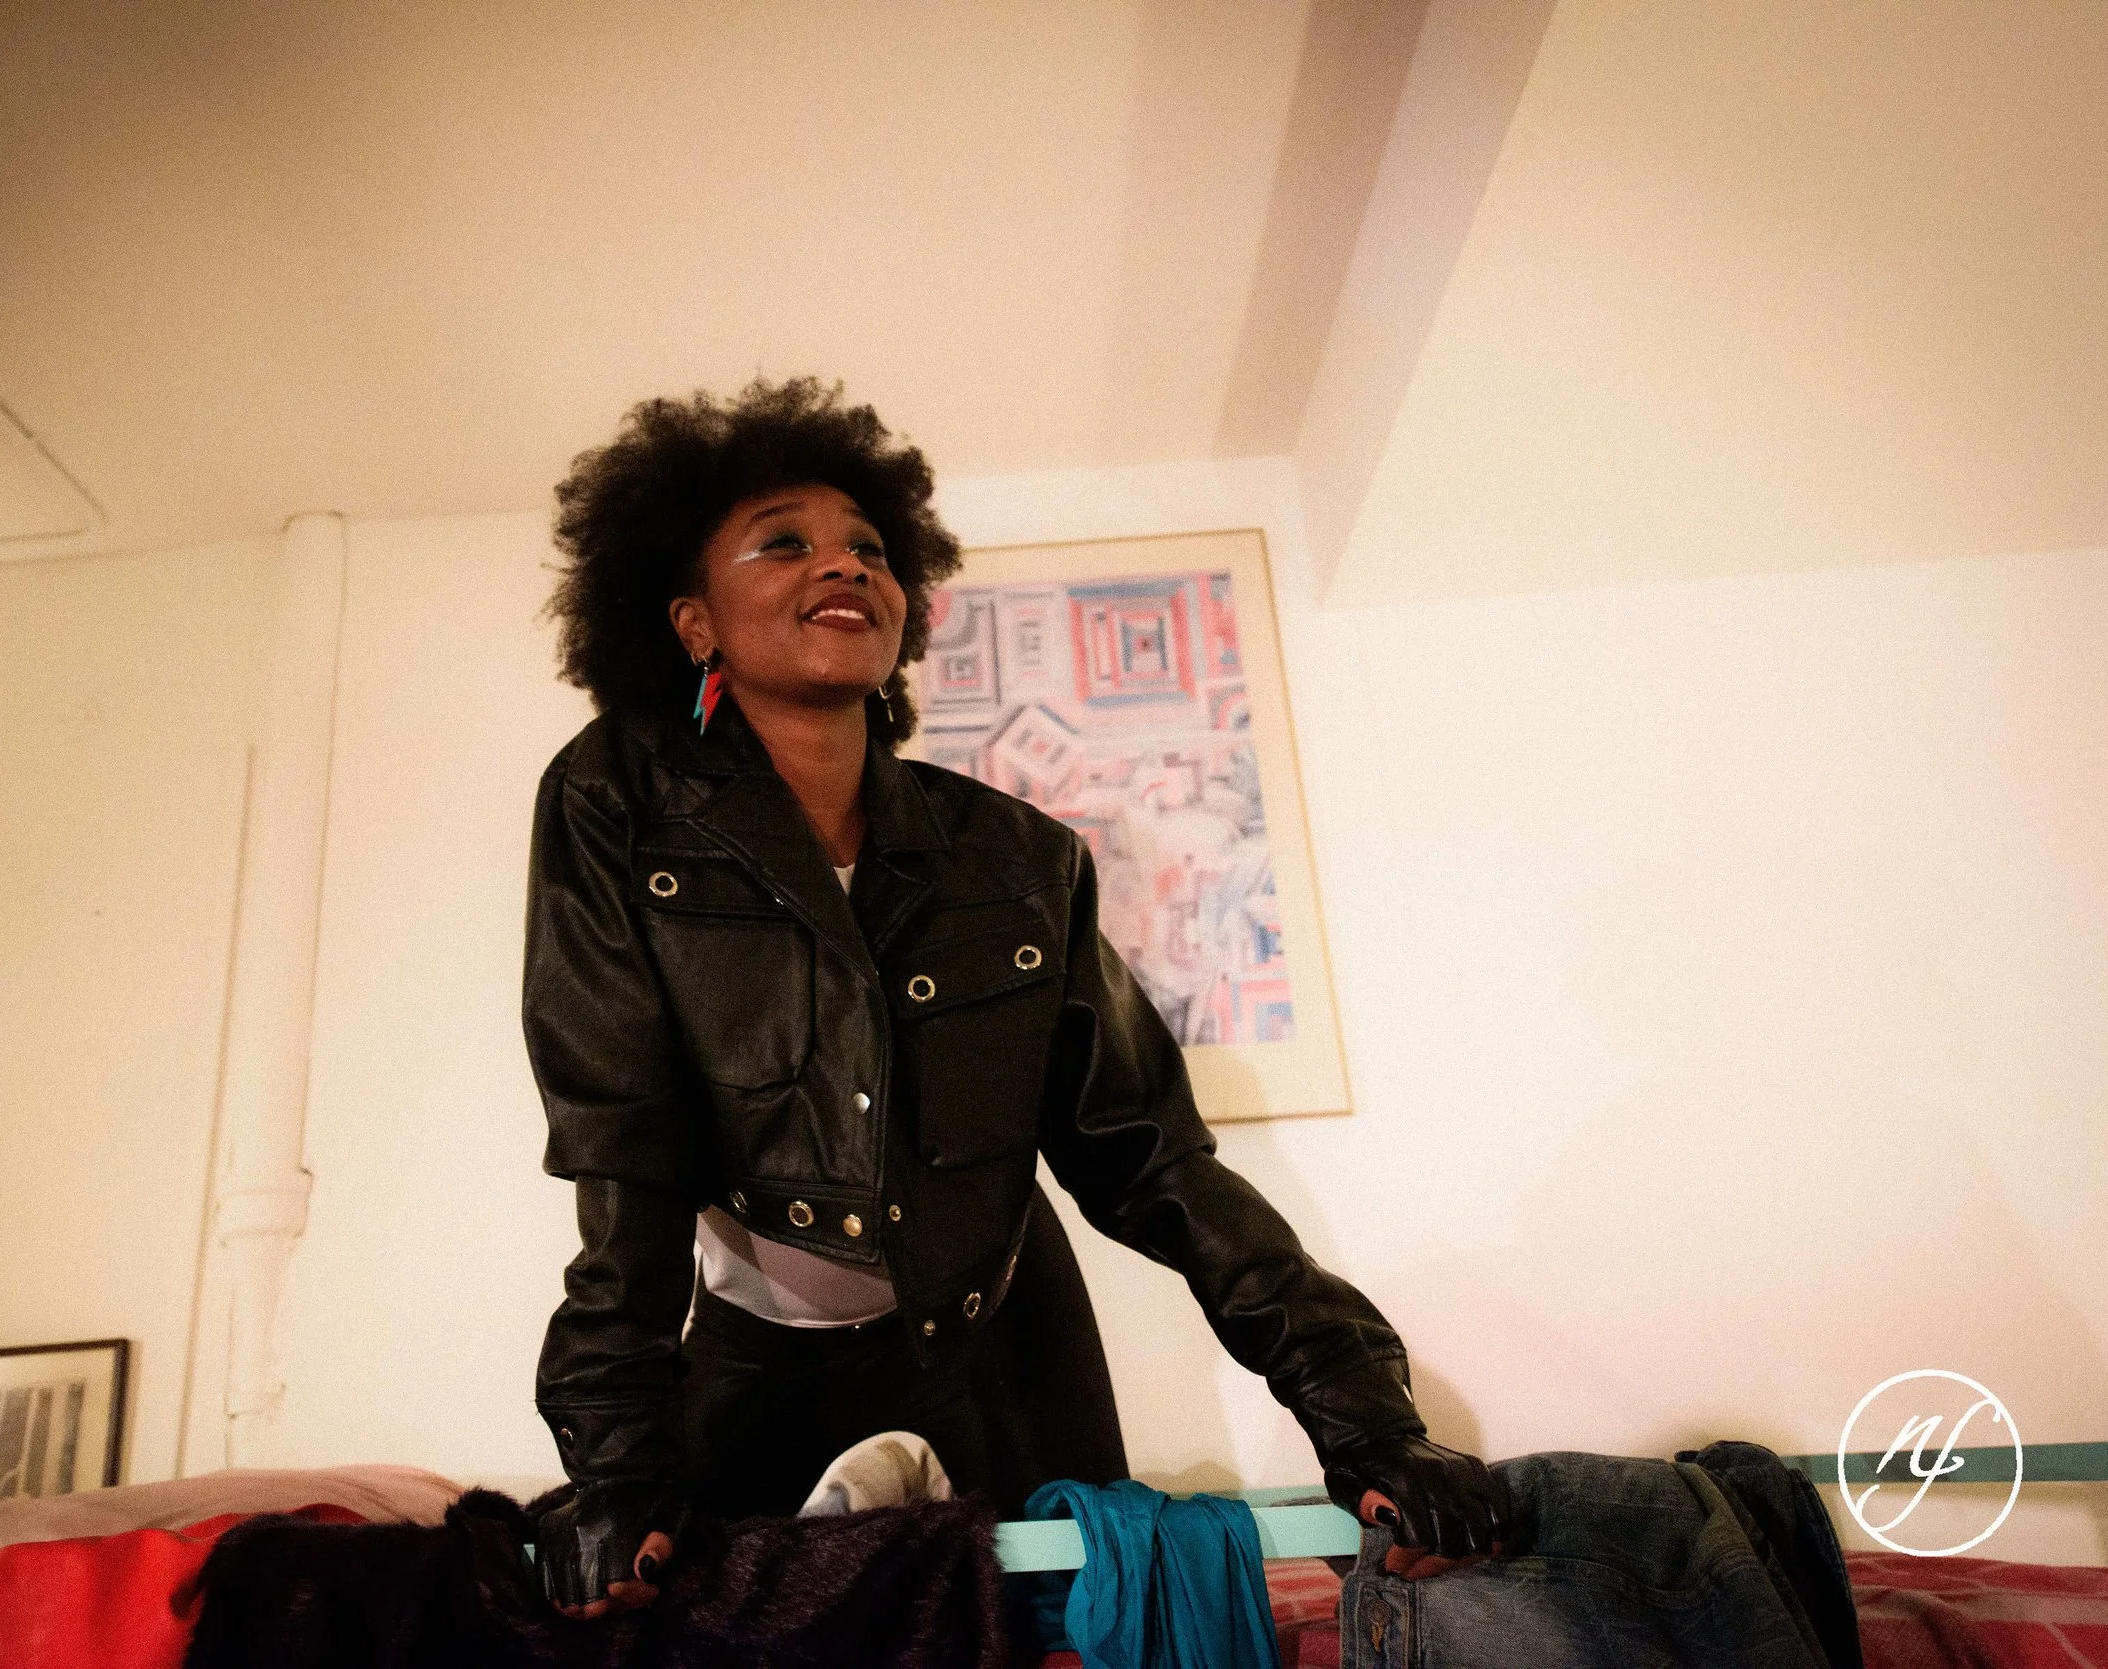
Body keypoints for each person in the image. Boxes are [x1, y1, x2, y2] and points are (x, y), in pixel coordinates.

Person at [524, 378, 1507, 1617]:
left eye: (869, 548)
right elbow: (624, 1147)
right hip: (755, 1358)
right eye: (785, 540)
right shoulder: (612, 799)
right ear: (691, 623)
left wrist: (1367, 1422)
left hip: (1000, 1347)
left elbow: (1153, 1163)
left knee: (1048, 1636)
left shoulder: (1022, 858)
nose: (843, 564)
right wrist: (618, 1461)